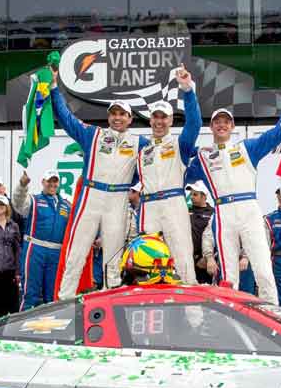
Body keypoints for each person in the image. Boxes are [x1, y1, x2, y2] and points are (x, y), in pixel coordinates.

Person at [187, 78, 281, 304]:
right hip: (222, 213)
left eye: (226, 122)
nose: (221, 125)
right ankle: (231, 317)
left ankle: (273, 319)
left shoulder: (247, 148)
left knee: (263, 270)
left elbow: (279, 132)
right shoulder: (202, 156)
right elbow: (179, 178)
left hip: (249, 210)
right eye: (217, 122)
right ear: (211, 127)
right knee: (228, 275)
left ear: (232, 126)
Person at [49, 67, 147, 297]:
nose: (117, 117)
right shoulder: (93, 134)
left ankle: (110, 297)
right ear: (108, 116)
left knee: (113, 254)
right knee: (76, 252)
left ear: (130, 118)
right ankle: (65, 299)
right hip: (92, 196)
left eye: (122, 114)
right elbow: (66, 118)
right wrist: (54, 88)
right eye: (113, 113)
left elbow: (149, 170)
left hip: (119, 199)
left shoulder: (139, 142)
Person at [136, 65, 201, 284]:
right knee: (147, 262)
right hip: (148, 207)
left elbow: (194, 124)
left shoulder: (179, 144)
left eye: (164, 117)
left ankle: (191, 313)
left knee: (182, 258)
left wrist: (188, 90)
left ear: (171, 121)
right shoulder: (142, 150)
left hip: (174, 203)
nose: (159, 121)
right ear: (150, 120)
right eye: (155, 117)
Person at [12, 170, 71, 310]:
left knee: (53, 294)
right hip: (35, 248)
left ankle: (52, 327)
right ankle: (21, 329)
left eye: (55, 181)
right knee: (30, 292)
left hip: (57, 252)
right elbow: (18, 203)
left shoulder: (67, 205)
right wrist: (22, 185)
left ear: (58, 183)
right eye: (49, 181)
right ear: (43, 182)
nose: (52, 184)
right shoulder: (33, 200)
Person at [188, 181, 214, 284]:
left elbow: (214, 237)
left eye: (195, 194)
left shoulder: (213, 213)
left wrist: (207, 258)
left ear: (204, 196)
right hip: (188, 261)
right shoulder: (185, 210)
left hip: (204, 262)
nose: (191, 197)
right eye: (191, 194)